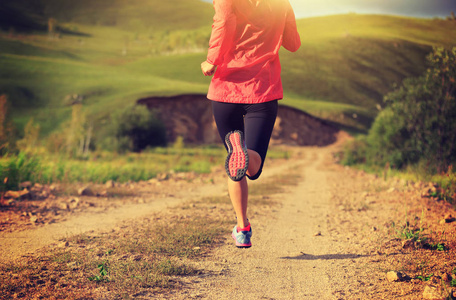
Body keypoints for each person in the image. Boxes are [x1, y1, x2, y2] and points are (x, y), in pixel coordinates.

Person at [201, 0, 301, 248]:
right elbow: (293, 44)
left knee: (235, 165)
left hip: (225, 90)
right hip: (262, 91)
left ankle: (242, 227)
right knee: (251, 166)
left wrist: (212, 59)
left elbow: (222, 22)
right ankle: (244, 152)